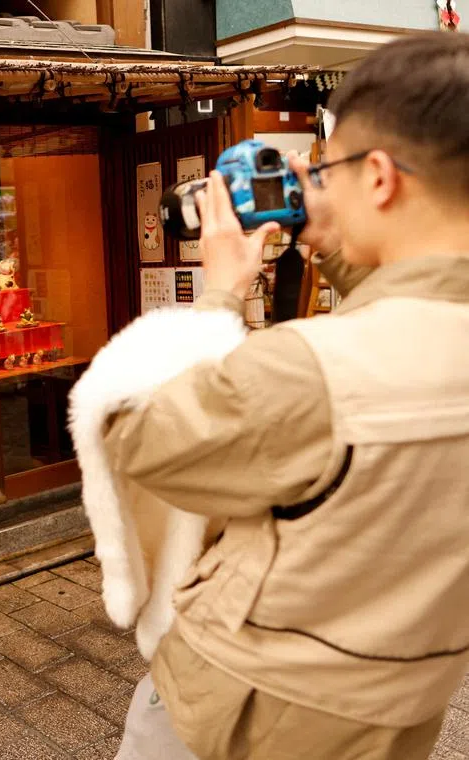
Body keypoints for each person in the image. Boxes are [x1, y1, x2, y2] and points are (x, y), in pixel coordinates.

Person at [80, 31, 469, 759]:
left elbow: (140, 437)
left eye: (333, 166)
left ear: (380, 177)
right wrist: (350, 253)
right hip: (395, 715)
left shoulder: (313, 371)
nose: (318, 183)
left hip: (245, 711)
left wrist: (220, 292)